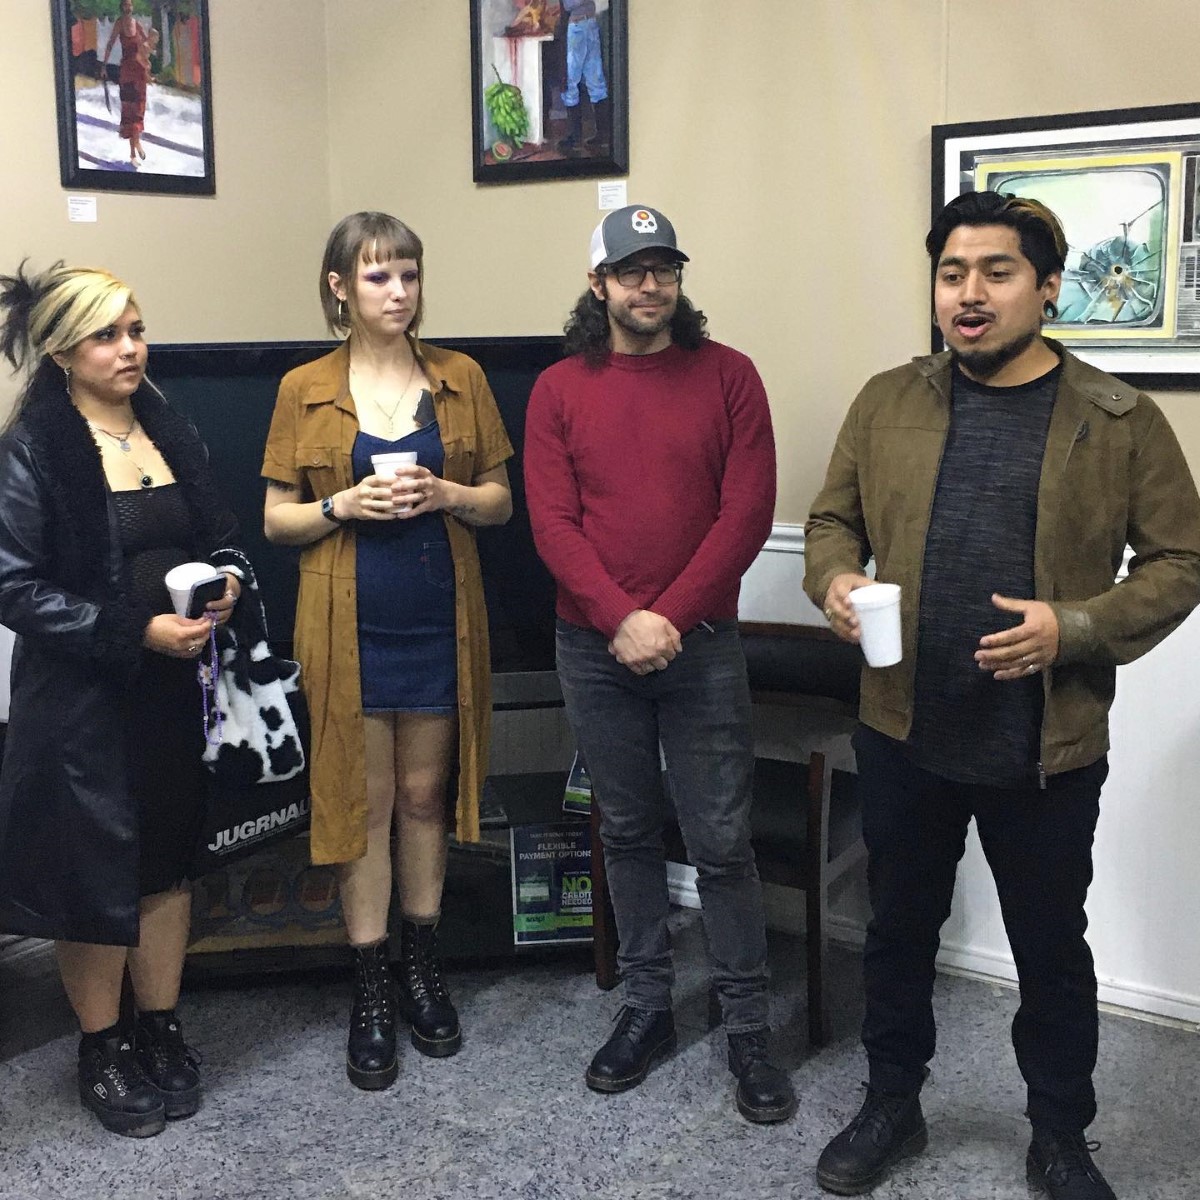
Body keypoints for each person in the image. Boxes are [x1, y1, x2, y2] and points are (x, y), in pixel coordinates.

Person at [804, 191, 1200, 1199]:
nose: (968, 294)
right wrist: (835, 579)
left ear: (1049, 288)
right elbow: (832, 522)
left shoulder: (1120, 419)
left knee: (1050, 950)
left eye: (996, 272)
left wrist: (1073, 628)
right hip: (903, 727)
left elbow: (1181, 561)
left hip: (1044, 744)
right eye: (952, 274)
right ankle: (893, 1101)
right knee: (899, 931)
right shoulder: (886, 400)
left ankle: (1060, 1133)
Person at [524, 204, 795, 1124]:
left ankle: (747, 1024)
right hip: (592, 647)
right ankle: (647, 1006)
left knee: (721, 841)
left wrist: (665, 619)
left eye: (664, 268)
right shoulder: (558, 389)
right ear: (598, 284)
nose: (651, 285)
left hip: (701, 645)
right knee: (630, 831)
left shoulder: (730, 376)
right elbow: (553, 524)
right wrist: (620, 619)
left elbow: (746, 514)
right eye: (632, 270)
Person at [261, 212, 513, 1091]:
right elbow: (276, 519)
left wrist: (448, 492)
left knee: (423, 797)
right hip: (347, 630)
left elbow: (499, 502)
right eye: (378, 276)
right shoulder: (303, 388)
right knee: (361, 805)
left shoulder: (461, 377)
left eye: (408, 274)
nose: (398, 292)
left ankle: (422, 967)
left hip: (442, 622)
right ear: (340, 288)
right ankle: (371, 984)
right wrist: (342, 506)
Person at [0, 261, 244, 1136]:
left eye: (136, 330)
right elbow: (13, 585)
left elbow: (221, 535)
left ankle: (160, 1026)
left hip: (174, 693)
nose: (130, 349)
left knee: (167, 864)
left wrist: (228, 583)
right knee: (96, 875)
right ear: (63, 351)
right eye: (106, 335)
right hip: (82, 705)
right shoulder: (33, 449)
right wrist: (133, 630)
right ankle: (101, 1047)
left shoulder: (169, 428)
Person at [101, 0, 155, 168]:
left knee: (139, 109)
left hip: (139, 72)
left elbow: (147, 45)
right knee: (129, 111)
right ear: (121, 7)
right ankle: (132, 153)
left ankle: (137, 142)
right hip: (127, 72)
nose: (128, 7)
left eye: (130, 5)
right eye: (125, 4)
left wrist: (151, 42)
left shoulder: (136, 24)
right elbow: (110, 43)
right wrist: (104, 65)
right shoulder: (119, 24)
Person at [558, 0, 609, 155]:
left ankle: (575, 137)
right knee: (596, 80)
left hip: (577, 26)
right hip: (590, 23)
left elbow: (568, 5)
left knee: (570, 82)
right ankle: (603, 135)